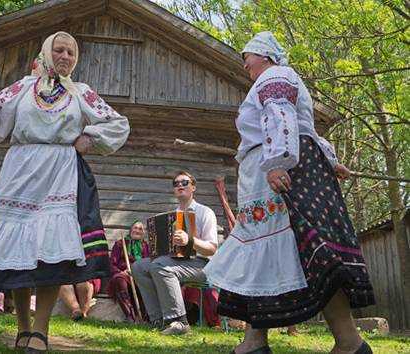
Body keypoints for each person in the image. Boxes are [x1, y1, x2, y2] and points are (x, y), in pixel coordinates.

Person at [204, 32, 374, 354]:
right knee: (276, 253)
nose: (244, 64)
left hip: (279, 171)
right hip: (284, 168)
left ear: (265, 56)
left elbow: (280, 115)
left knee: (295, 249)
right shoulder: (278, 77)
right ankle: (260, 342)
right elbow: (304, 127)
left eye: (247, 57)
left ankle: (347, 342)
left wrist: (278, 162)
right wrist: (330, 161)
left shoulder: (274, 74)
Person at [0, 31, 129, 352]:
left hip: (59, 173)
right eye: (59, 50)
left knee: (51, 251)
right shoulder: (23, 87)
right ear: (46, 52)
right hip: (21, 170)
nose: (65, 56)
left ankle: (40, 330)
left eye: (71, 52)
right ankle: (23, 328)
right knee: (19, 253)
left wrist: (89, 137)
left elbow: (118, 123)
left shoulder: (81, 93)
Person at [132, 171, 218, 335]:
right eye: (176, 183)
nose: (180, 185)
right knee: (139, 266)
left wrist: (189, 241)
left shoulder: (205, 212)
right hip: (176, 261)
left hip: (203, 265)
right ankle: (158, 320)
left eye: (184, 182)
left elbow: (212, 249)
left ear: (193, 187)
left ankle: (179, 322)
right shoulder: (172, 216)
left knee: (161, 267)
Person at [107, 221, 149, 323]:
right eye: (135, 228)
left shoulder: (145, 246)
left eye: (140, 229)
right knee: (119, 279)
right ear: (130, 230)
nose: (137, 230)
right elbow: (112, 264)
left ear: (143, 233)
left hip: (139, 275)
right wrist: (123, 272)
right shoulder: (120, 244)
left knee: (147, 284)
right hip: (124, 274)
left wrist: (138, 272)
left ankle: (144, 317)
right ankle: (130, 316)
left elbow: (148, 264)